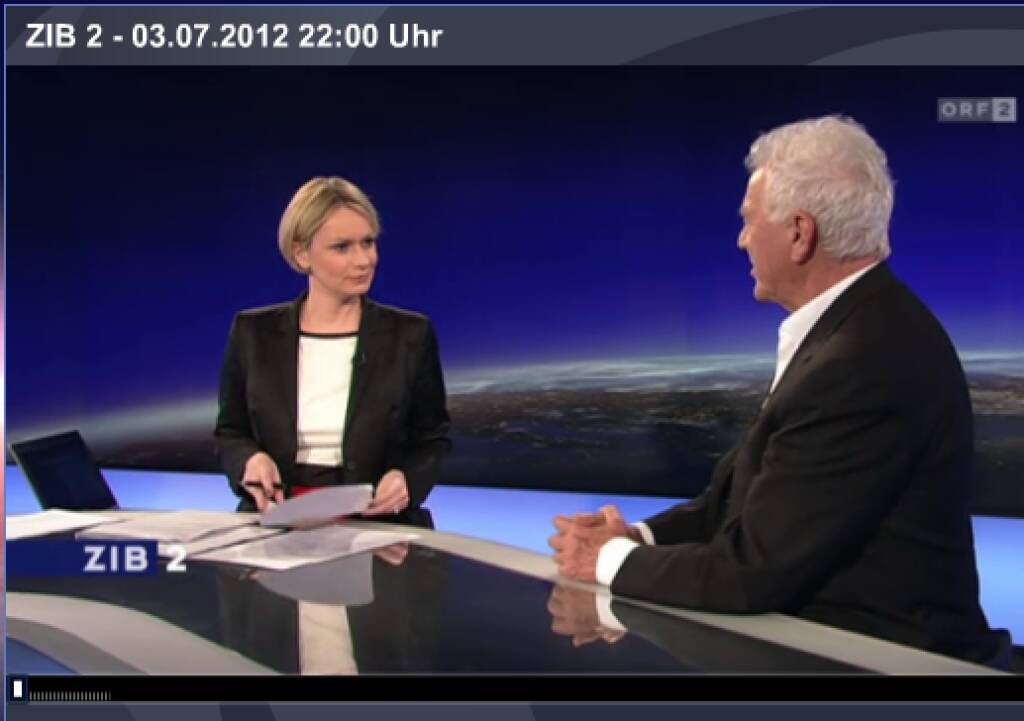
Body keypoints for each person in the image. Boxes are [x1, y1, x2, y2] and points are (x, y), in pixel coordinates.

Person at [549, 116, 1012, 668]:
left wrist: (606, 561)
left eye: (749, 220)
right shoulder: (854, 329)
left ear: (799, 233)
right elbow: (743, 505)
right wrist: (637, 538)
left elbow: (750, 573)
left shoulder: (862, 360)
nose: (741, 239)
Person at [215, 176, 450, 525]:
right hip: (278, 515)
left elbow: (432, 439)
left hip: (376, 520)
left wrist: (406, 480)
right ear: (301, 254)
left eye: (368, 243)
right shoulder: (254, 333)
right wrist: (249, 461)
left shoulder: (410, 335)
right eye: (342, 247)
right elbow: (231, 432)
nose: (364, 260)